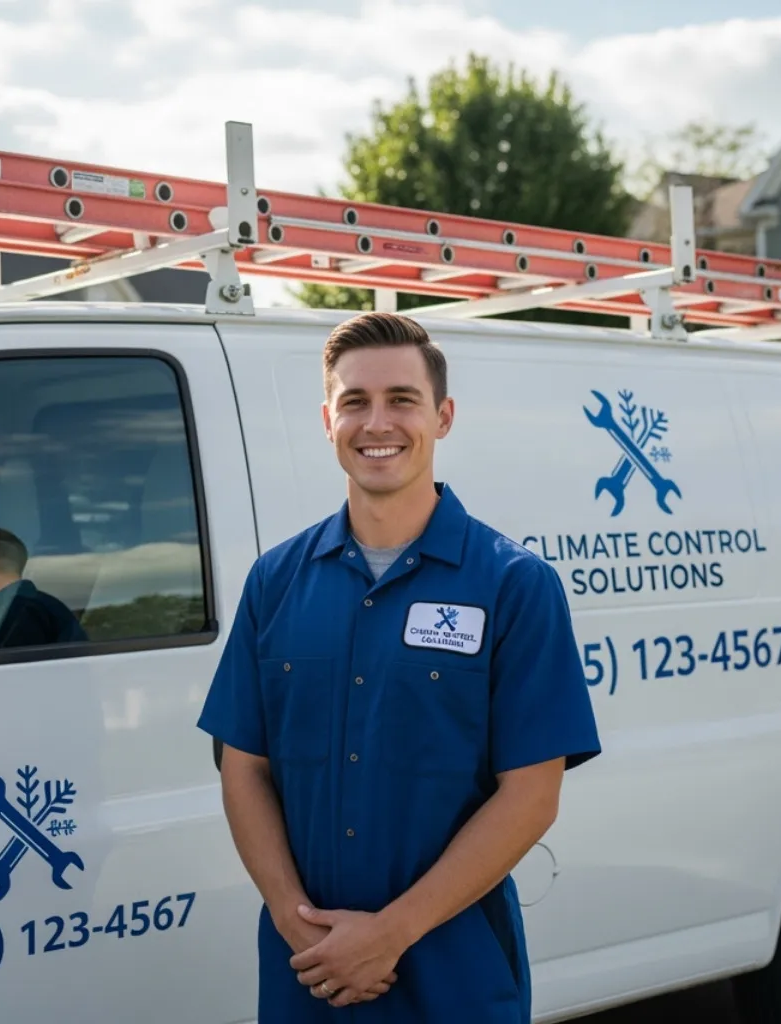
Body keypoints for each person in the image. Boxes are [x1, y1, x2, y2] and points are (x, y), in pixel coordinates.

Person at [197, 311, 601, 1022]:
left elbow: (531, 796)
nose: (376, 422)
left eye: (402, 400)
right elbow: (243, 768)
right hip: (309, 975)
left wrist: (389, 935)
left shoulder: (513, 584)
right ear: (328, 419)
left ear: (442, 418)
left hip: (454, 977)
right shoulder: (276, 581)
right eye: (355, 401)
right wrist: (301, 926)